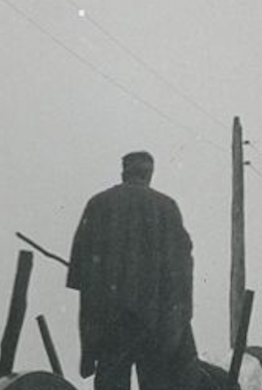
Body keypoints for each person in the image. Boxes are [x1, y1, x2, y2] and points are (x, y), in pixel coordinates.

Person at [67, 151, 199, 390]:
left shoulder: (98, 204)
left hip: (110, 326)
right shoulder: (167, 208)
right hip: (155, 328)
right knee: (158, 383)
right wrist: (178, 327)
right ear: (149, 174)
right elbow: (182, 273)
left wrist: (88, 345)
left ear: (124, 172)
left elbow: (81, 276)